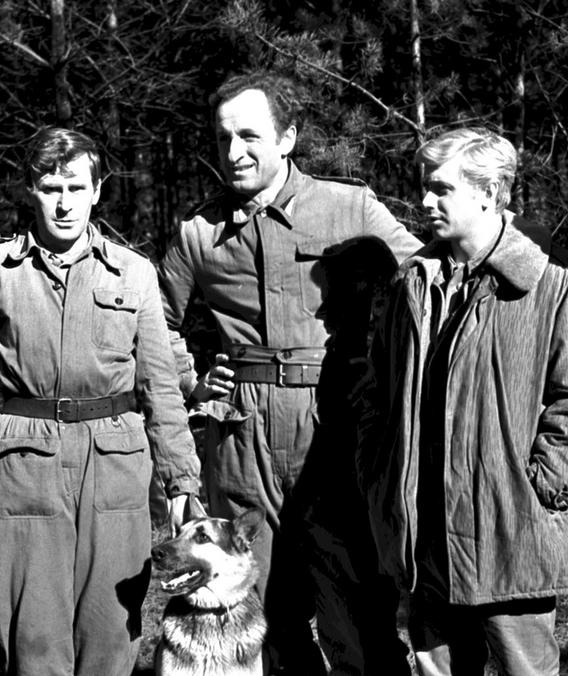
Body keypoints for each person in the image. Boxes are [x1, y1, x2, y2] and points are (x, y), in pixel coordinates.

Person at [158, 71, 422, 675]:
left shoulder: (348, 205)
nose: (233, 153)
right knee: (262, 615)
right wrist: (192, 381)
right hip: (242, 435)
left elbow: (422, 284)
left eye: (249, 135)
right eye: (222, 137)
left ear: (288, 138)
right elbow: (154, 325)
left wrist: (386, 382)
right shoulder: (199, 233)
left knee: (356, 608)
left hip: (335, 428)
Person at [0, 127, 200, 676]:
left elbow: (161, 389)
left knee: (112, 632)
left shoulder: (134, 273)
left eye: (76, 187)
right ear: (30, 190)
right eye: (50, 187)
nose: (64, 203)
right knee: (32, 635)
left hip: (115, 470)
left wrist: (182, 486)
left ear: (98, 190)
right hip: (26, 468)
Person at [355, 127, 568, 675]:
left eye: (441, 188)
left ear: (490, 192)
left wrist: (543, 489)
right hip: (424, 540)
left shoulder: (555, 285)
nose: (425, 200)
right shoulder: (412, 284)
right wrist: (380, 475)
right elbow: (377, 393)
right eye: (427, 186)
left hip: (511, 533)